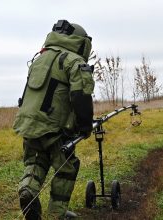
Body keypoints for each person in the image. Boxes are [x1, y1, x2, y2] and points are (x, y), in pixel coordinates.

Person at [13, 20, 95, 219]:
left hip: (29, 123)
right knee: (66, 167)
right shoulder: (74, 61)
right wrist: (84, 126)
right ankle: (56, 214)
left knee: (35, 161)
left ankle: (27, 191)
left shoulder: (39, 59)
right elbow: (81, 95)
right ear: (80, 42)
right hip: (56, 128)